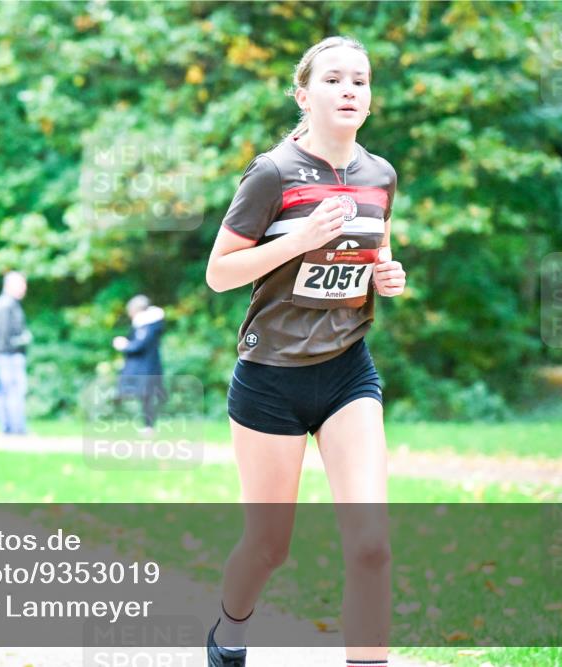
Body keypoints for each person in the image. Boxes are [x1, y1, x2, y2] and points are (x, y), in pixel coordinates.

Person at [203, 36, 406, 667]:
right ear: (304, 94)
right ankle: (228, 636)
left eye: (360, 81)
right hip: (270, 378)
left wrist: (387, 276)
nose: (349, 90)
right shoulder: (272, 173)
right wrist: (299, 240)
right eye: (334, 80)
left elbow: (375, 254)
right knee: (269, 547)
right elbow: (220, 273)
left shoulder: (380, 176)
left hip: (348, 370)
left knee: (371, 544)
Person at [112, 295, 166, 434]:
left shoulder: (147, 325)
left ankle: (149, 427)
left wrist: (123, 345)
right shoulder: (146, 324)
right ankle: (148, 426)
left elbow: (139, 346)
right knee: (144, 396)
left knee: (146, 396)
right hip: (143, 366)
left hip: (145, 367)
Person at [0, 270, 32, 436]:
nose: (24, 288)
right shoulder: (5, 305)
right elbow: (3, 335)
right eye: (21, 284)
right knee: (14, 390)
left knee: (7, 390)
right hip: (9, 355)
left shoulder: (9, 304)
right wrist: (22, 340)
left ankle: (9, 428)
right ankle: (15, 428)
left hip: (8, 354)